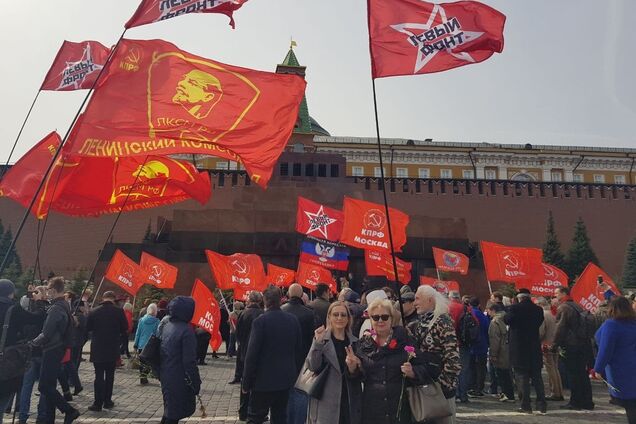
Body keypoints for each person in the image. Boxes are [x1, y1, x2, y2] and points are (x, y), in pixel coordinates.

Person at [352, 297, 434, 424]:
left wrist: (413, 372)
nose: (380, 321)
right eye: (375, 317)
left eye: (385, 317)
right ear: (370, 320)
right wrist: (352, 368)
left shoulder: (405, 340)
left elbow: (424, 367)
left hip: (400, 409)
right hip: (372, 411)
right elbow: (357, 377)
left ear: (391, 318)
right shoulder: (363, 345)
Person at [242, 286, 303, 424]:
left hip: (262, 381)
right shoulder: (293, 320)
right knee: (280, 417)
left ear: (265, 300)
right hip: (285, 379)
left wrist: (246, 382)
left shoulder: (260, 322)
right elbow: (298, 350)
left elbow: (251, 355)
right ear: (281, 299)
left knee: (255, 417)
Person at [31, 277, 81, 423]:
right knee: (50, 385)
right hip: (57, 348)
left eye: (48, 289)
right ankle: (50, 418)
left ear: (53, 290)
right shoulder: (64, 305)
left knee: (44, 386)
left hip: (52, 349)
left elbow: (46, 333)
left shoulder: (57, 308)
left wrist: (32, 343)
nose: (47, 292)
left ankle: (69, 411)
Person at [409, 285, 461, 424]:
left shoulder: (443, 322)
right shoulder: (421, 322)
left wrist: (442, 386)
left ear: (430, 300)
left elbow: (453, 358)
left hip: (441, 391)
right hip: (425, 385)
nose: (414, 303)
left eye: (418, 299)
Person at [306, 301, 362, 424]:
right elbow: (312, 365)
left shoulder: (355, 342)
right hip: (325, 401)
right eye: (335, 314)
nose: (339, 318)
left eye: (343, 315)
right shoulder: (322, 339)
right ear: (329, 317)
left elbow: (360, 374)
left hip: (348, 399)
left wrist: (353, 368)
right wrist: (317, 344)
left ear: (348, 318)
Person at [0, 280, 45, 424]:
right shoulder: (13, 309)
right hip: (6, 361)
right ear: (11, 293)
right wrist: (38, 301)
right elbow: (37, 318)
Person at [591, 296, 636, 423]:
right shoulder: (633, 323)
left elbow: (605, 349)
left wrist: (597, 369)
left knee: (630, 404)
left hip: (621, 368)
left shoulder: (611, 325)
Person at [159, 296, 201, 424]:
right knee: (173, 415)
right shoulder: (186, 331)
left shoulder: (168, 325)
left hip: (167, 374)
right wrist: (196, 382)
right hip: (179, 377)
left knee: (169, 412)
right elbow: (189, 361)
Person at [504, 289, 546, 414]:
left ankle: (525, 405)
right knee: (537, 377)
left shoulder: (515, 308)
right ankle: (541, 404)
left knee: (522, 376)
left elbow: (506, 320)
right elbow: (539, 322)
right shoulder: (538, 310)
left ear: (519, 297)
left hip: (519, 347)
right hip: (533, 346)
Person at [553, 285, 595, 410]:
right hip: (583, 343)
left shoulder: (564, 307)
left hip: (571, 345)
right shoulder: (576, 305)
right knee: (582, 374)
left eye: (557, 293)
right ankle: (587, 401)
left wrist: (554, 344)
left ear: (563, 293)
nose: (555, 295)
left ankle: (575, 402)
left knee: (573, 374)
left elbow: (560, 328)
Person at [86, 290, 128, 412]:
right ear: (113, 299)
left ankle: (97, 403)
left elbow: (88, 328)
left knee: (98, 375)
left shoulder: (94, 311)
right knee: (110, 376)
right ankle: (107, 401)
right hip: (112, 348)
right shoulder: (119, 311)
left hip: (98, 348)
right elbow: (125, 328)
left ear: (103, 298)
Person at [282, 283, 315, 424]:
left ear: (288, 295)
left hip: (283, 360)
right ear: (302, 295)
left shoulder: (281, 311)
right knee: (301, 393)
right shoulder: (309, 313)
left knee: (284, 394)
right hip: (303, 359)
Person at [234, 291, 264, 420]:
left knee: (244, 382)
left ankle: (242, 411)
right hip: (259, 353)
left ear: (249, 301)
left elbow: (238, 334)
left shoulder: (243, 314)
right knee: (258, 383)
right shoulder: (263, 314)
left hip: (244, 352)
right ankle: (256, 411)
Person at [536, 297, 563, 401]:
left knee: (551, 369)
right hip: (555, 344)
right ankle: (558, 391)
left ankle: (555, 392)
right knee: (555, 368)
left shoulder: (543, 314)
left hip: (546, 344)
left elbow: (541, 332)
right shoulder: (553, 313)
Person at [487, 303, 515, 402]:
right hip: (510, 348)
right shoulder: (508, 318)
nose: (488, 313)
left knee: (501, 373)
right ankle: (509, 393)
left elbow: (494, 339)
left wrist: (493, 354)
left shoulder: (495, 322)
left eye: (489, 311)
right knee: (508, 373)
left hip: (501, 351)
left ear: (493, 310)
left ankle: (507, 394)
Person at [468, 297, 489, 398]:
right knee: (481, 368)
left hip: (472, 345)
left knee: (472, 368)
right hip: (483, 344)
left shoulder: (470, 314)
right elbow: (486, 329)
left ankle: (473, 387)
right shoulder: (482, 315)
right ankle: (479, 388)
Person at [134, 303, 159, 384]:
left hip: (141, 344)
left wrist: (135, 344)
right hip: (151, 345)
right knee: (149, 362)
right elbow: (157, 334)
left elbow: (138, 333)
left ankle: (142, 376)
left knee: (142, 362)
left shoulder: (141, 320)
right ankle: (145, 375)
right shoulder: (157, 321)